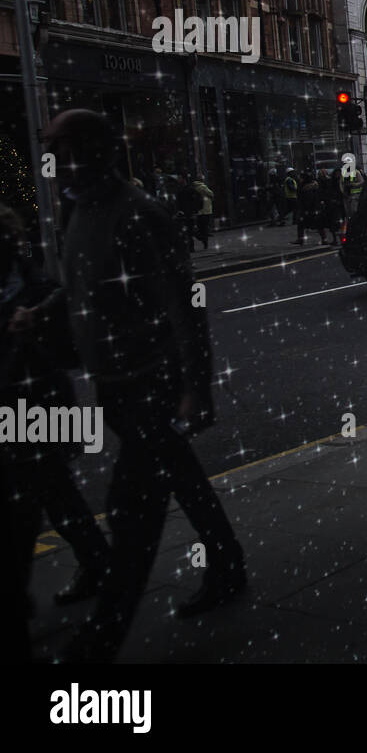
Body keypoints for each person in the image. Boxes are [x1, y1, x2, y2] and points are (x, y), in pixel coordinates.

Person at [10, 110, 243, 663]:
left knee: (129, 511)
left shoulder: (139, 215)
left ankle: (100, 639)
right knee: (182, 479)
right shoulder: (77, 211)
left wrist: (196, 388)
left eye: (62, 145)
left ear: (96, 149)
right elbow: (79, 288)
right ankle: (228, 564)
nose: (54, 156)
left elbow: (183, 307)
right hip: (114, 385)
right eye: (49, 145)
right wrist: (39, 313)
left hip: (151, 383)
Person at [0, 203, 111, 610]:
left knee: (41, 496)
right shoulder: (36, 285)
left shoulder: (36, 292)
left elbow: (68, 353)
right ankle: (96, 563)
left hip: (34, 410)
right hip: (36, 409)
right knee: (50, 494)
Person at [191, 175, 214, 250]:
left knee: (200, 226)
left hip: (198, 210)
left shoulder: (194, 187)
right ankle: (205, 241)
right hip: (206, 210)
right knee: (205, 226)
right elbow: (211, 193)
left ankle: (202, 237)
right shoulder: (203, 187)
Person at [282, 167, 299, 234]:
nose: (294, 173)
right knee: (295, 209)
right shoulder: (289, 179)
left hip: (290, 197)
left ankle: (281, 218)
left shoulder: (290, 179)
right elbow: (291, 188)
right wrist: (297, 190)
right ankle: (295, 220)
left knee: (289, 209)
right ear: (289, 173)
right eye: (292, 172)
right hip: (292, 197)